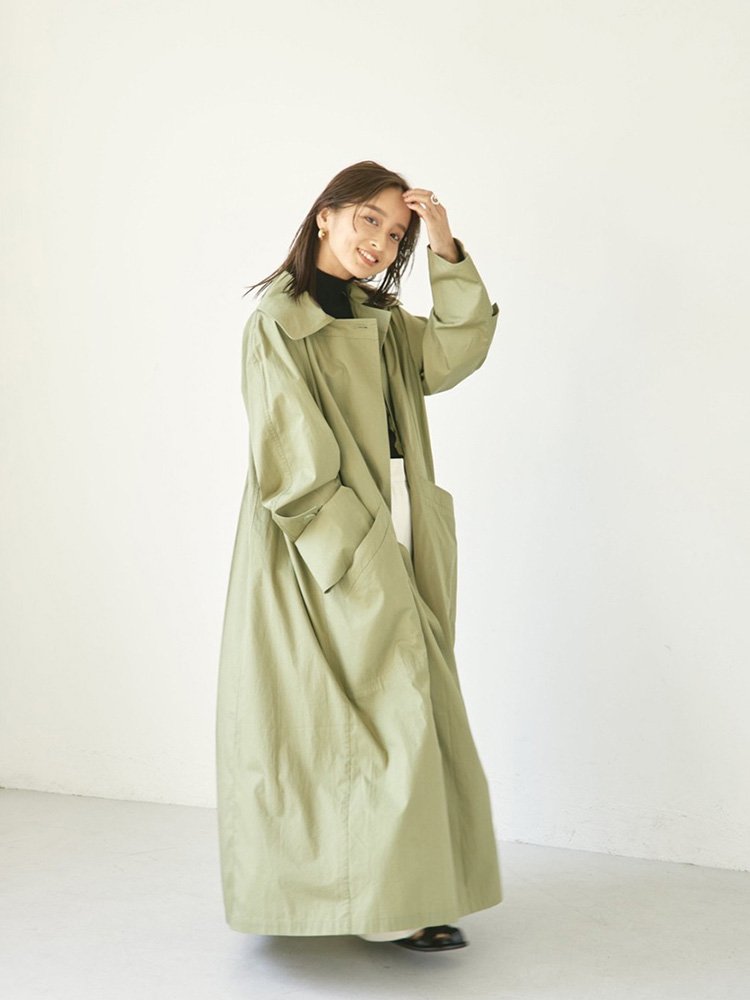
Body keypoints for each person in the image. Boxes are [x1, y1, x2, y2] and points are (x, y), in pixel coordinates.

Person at [215, 160, 502, 953]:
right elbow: (293, 463)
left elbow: (456, 351)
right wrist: (357, 549)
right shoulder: (279, 323)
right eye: (368, 219)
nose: (380, 240)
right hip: (325, 545)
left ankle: (404, 890)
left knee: (404, 705)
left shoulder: (381, 320)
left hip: (399, 521)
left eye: (394, 232)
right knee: (350, 715)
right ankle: (375, 903)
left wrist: (444, 247)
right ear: (325, 215)